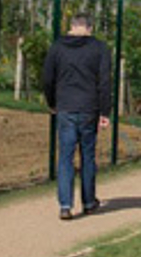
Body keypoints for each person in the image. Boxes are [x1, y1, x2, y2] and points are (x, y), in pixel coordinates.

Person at [43, 14, 112, 220]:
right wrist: (104, 111)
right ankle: (89, 202)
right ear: (89, 28)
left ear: (71, 27)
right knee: (87, 156)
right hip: (89, 107)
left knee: (65, 155)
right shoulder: (99, 48)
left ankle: (65, 205)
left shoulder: (57, 47)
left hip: (65, 106)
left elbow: (47, 78)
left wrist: (52, 102)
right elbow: (105, 81)